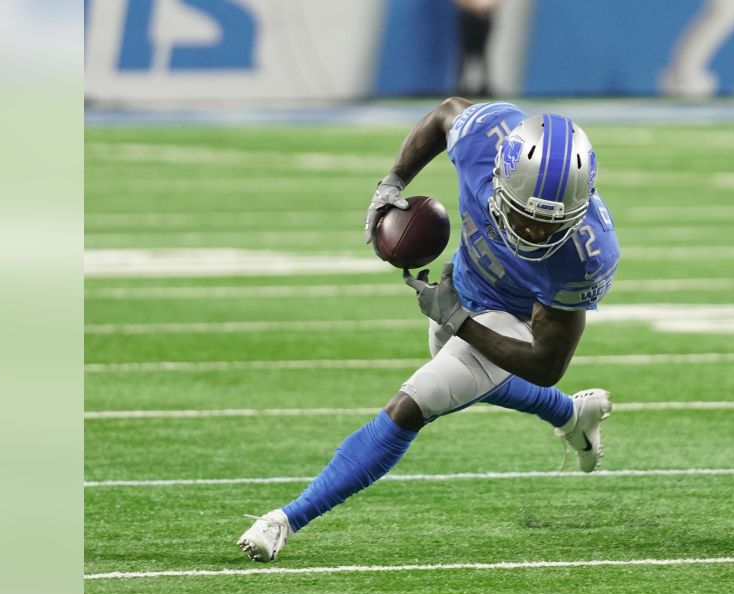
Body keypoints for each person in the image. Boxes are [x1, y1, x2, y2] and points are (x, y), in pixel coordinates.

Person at [237, 98, 621, 562]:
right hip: (463, 280)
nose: (534, 233)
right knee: (464, 379)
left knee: (412, 405)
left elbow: (545, 364)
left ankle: (286, 519)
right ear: (500, 178)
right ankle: (571, 416)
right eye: (523, 216)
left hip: (512, 320)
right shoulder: (485, 140)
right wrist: (393, 183)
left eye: (548, 223)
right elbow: (445, 114)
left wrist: (458, 319)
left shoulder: (587, 254)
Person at [454, 0, 501, 96]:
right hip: (467, 15)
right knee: (466, 53)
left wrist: (485, 7)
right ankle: (463, 86)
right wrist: (472, 6)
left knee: (483, 53)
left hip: (485, 15)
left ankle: (484, 85)